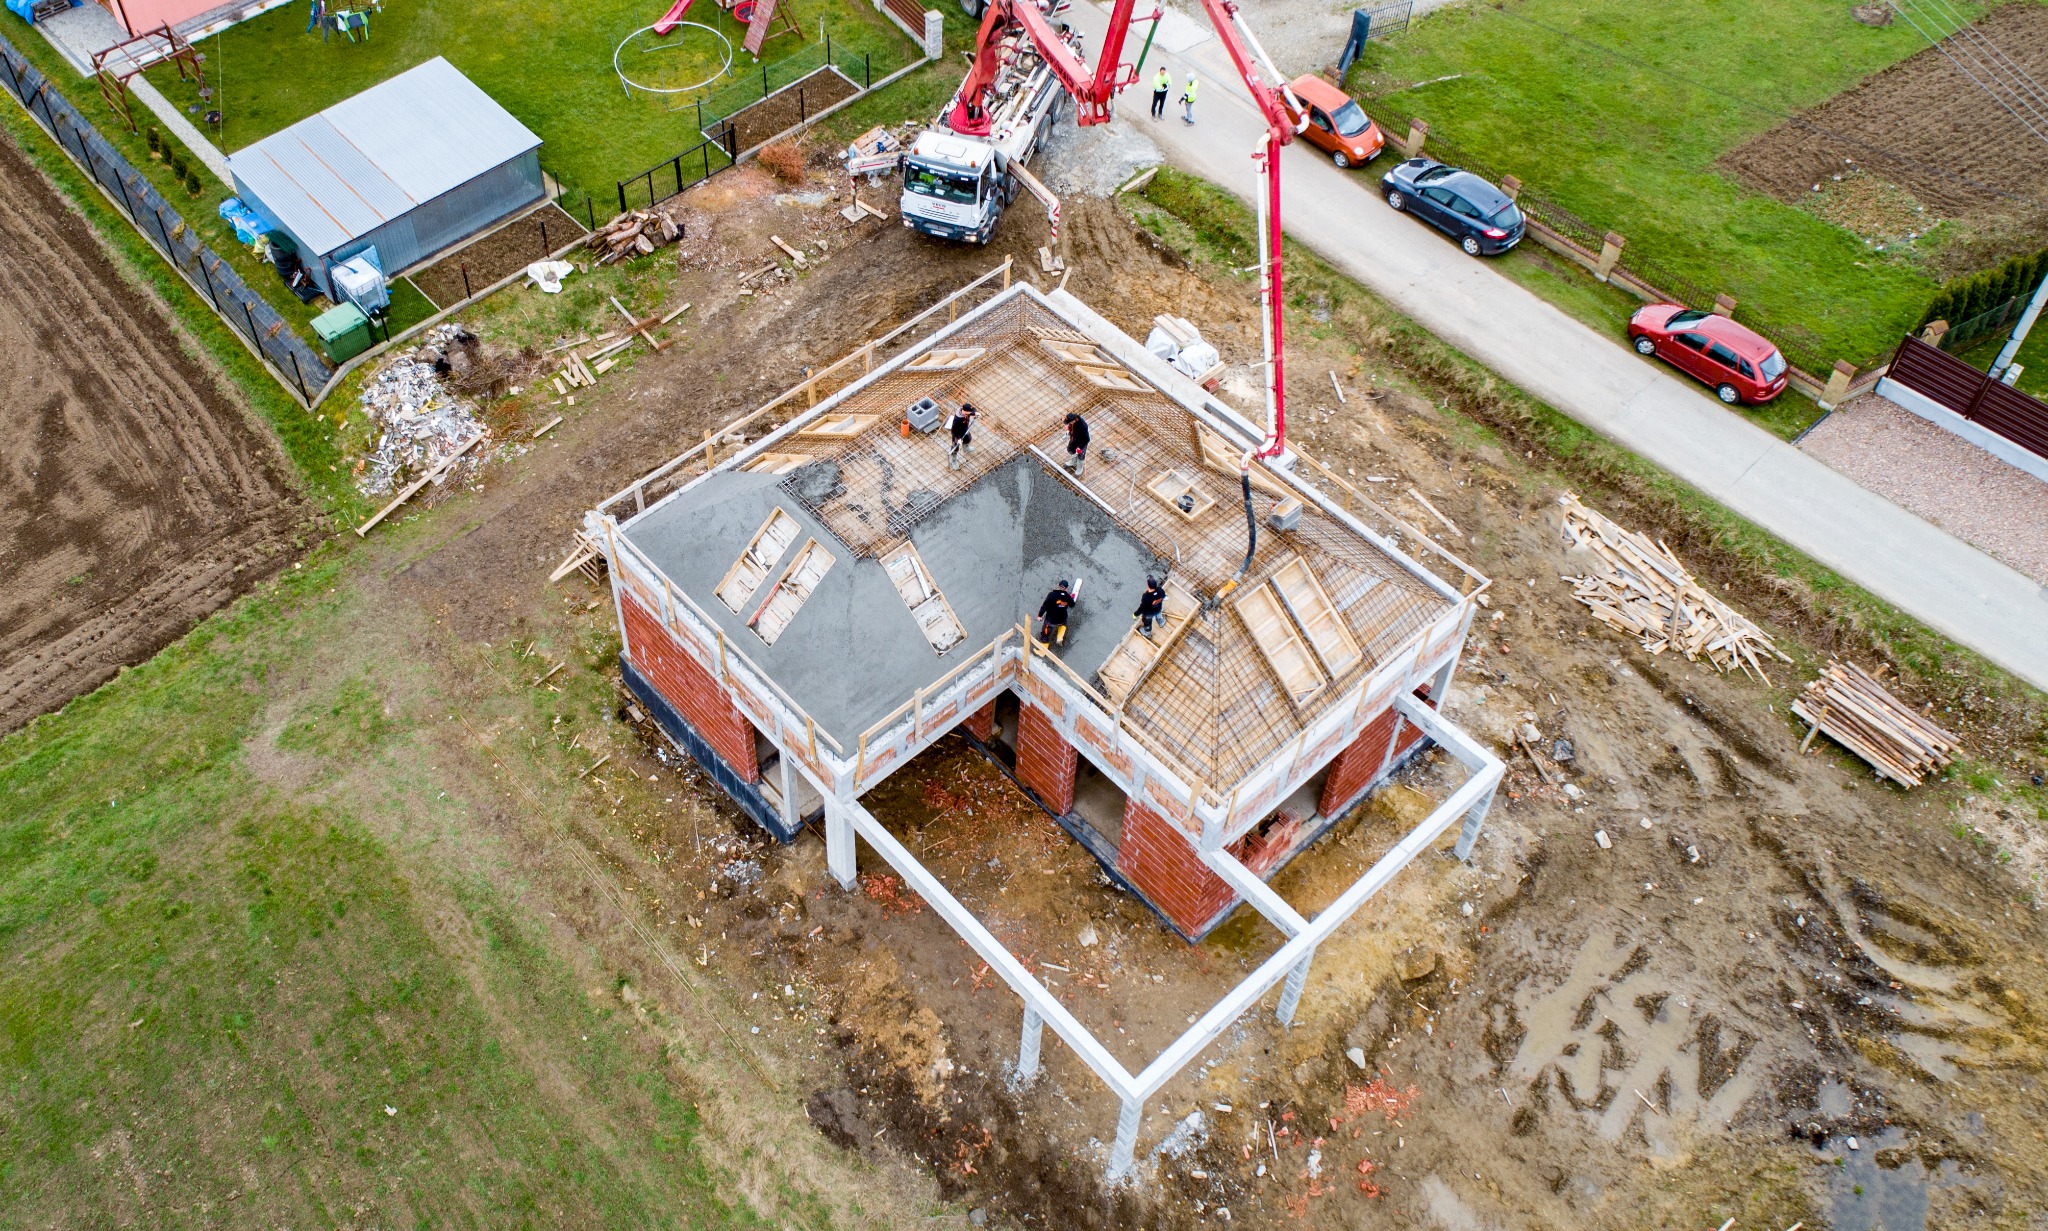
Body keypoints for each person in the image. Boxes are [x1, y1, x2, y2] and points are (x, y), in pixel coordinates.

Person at [1038, 580, 1076, 646]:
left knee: (1045, 632)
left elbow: (1045, 606)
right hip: (1062, 618)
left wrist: (1039, 615)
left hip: (1051, 620)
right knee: (1063, 624)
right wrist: (1070, 598)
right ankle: (1059, 637)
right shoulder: (1067, 597)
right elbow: (1072, 604)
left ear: (1058, 585)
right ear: (1066, 588)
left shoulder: (1051, 595)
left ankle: (1044, 646)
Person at [947, 402, 978, 470]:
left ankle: (966, 448)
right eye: (969, 412)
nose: (971, 413)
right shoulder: (957, 419)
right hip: (957, 433)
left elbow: (972, 411)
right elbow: (954, 430)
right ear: (965, 411)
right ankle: (953, 461)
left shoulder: (965, 412)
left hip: (964, 429)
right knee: (955, 447)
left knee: (968, 438)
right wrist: (958, 438)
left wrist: (975, 413)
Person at [1063, 412, 1090, 477]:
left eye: (1070, 422)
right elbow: (1070, 427)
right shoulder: (1073, 422)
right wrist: (1068, 431)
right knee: (1070, 450)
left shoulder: (1083, 426)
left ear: (1075, 420)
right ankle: (1074, 461)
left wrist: (1080, 448)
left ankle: (1080, 467)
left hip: (1081, 442)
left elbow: (1087, 439)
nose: (1069, 423)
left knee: (1080, 455)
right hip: (1074, 440)